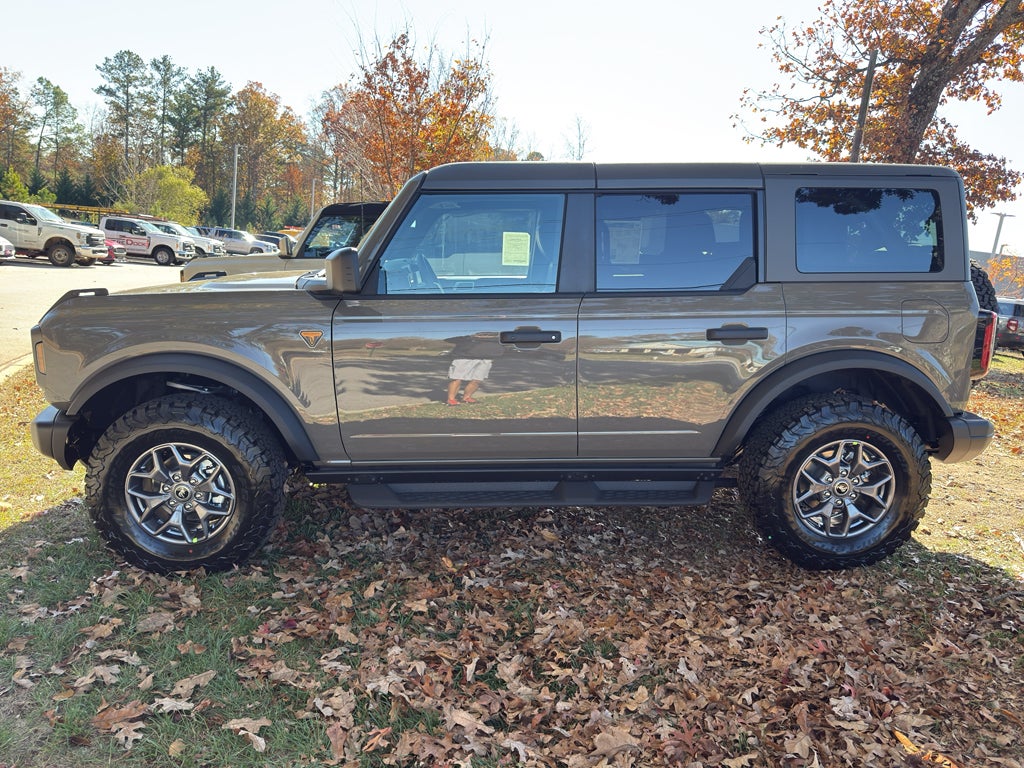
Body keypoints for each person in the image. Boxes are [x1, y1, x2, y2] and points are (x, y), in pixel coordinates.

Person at [445, 332, 500, 406]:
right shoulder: (467, 338)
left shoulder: (497, 338)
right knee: (456, 378)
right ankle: (451, 400)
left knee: (477, 380)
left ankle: (466, 398)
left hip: (486, 358)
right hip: (464, 358)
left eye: (487, 334)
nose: (486, 336)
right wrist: (472, 337)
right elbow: (448, 339)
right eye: (484, 334)